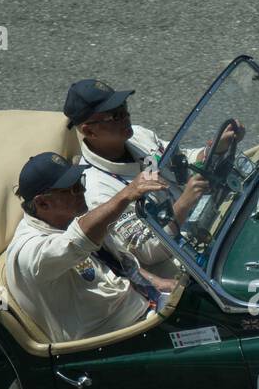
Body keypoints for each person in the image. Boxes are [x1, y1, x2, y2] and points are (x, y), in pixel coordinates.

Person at [63, 79, 242, 277]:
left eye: (124, 108)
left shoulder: (138, 135)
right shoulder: (97, 191)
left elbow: (181, 161)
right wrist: (183, 204)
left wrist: (213, 150)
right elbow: (147, 250)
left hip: (208, 220)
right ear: (89, 131)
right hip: (183, 262)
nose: (126, 117)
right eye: (116, 115)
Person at [3, 152, 173, 343]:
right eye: (73, 189)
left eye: (80, 183)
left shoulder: (71, 218)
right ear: (43, 202)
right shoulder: (31, 252)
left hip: (147, 308)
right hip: (115, 341)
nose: (82, 191)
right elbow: (77, 240)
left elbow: (120, 264)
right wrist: (126, 194)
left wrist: (158, 284)